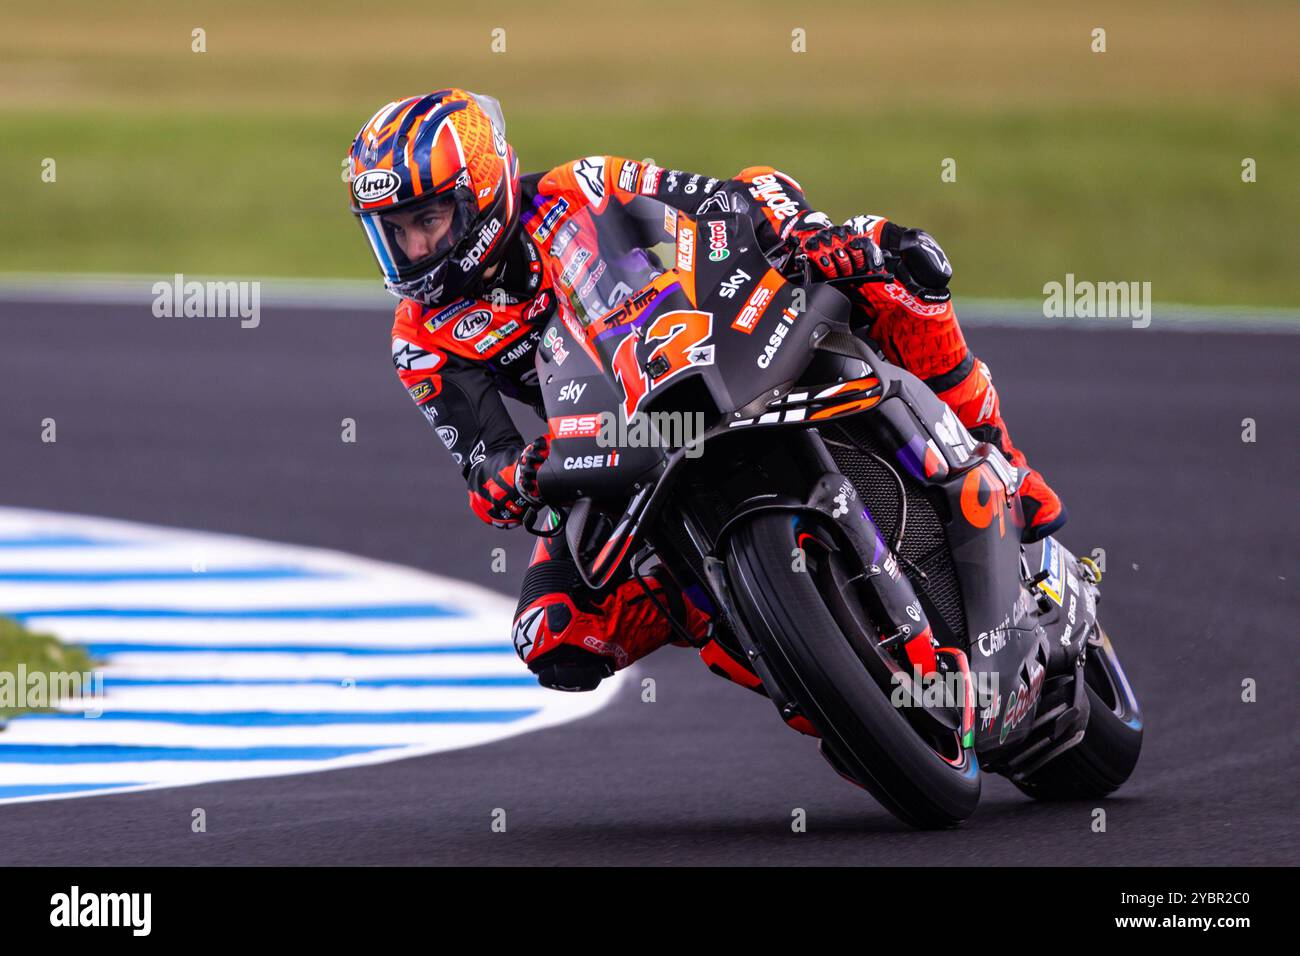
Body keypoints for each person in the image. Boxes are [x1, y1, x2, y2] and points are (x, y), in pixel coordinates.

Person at [347, 88, 1065, 699]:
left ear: (481, 193)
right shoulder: (421, 337)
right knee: (553, 631)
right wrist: (513, 478)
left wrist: (798, 235)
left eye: (429, 221)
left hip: (708, 346)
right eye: (394, 232)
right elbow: (485, 460)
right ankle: (788, 658)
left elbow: (719, 201)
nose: (413, 251)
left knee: (890, 257)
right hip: (615, 443)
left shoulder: (582, 186)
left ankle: (1001, 459)